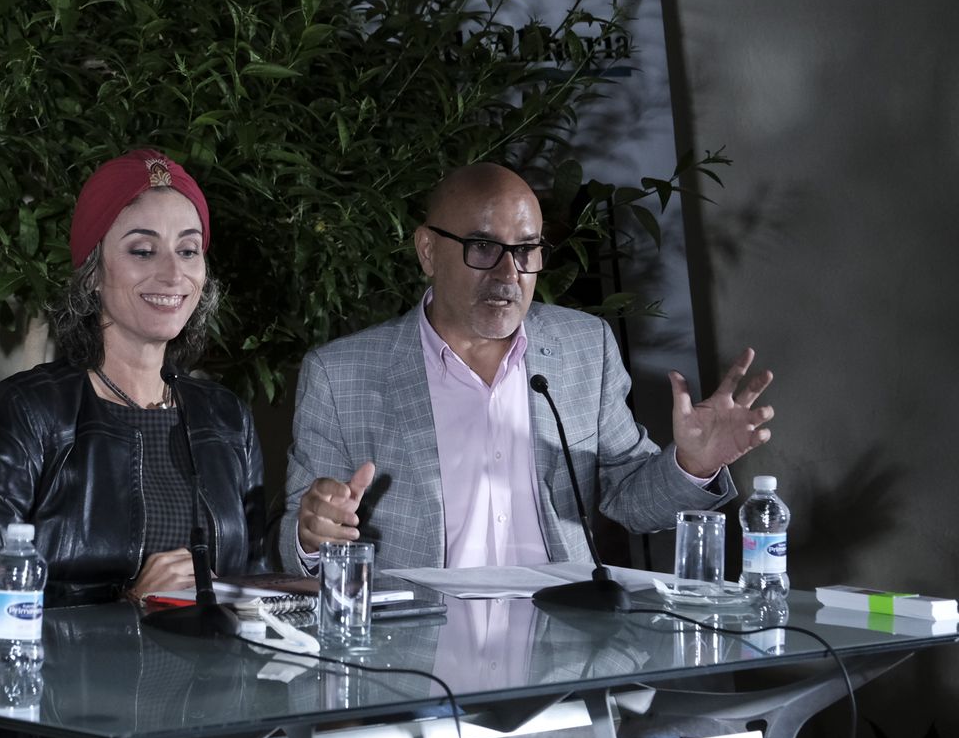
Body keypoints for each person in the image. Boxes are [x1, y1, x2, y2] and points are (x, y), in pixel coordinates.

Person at [281, 162, 776, 571]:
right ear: (428, 251)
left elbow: (629, 499)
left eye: (526, 250)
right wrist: (311, 534)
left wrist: (693, 463)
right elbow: (292, 539)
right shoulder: (340, 374)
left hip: (563, 646)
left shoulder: (585, 347)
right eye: (483, 248)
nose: (508, 273)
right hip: (414, 656)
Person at [0, 148, 266, 613]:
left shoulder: (227, 417)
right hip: (69, 686)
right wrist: (127, 604)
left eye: (188, 250)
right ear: (92, 273)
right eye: (143, 250)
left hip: (216, 681)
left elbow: (257, 580)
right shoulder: (25, 413)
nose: (173, 273)